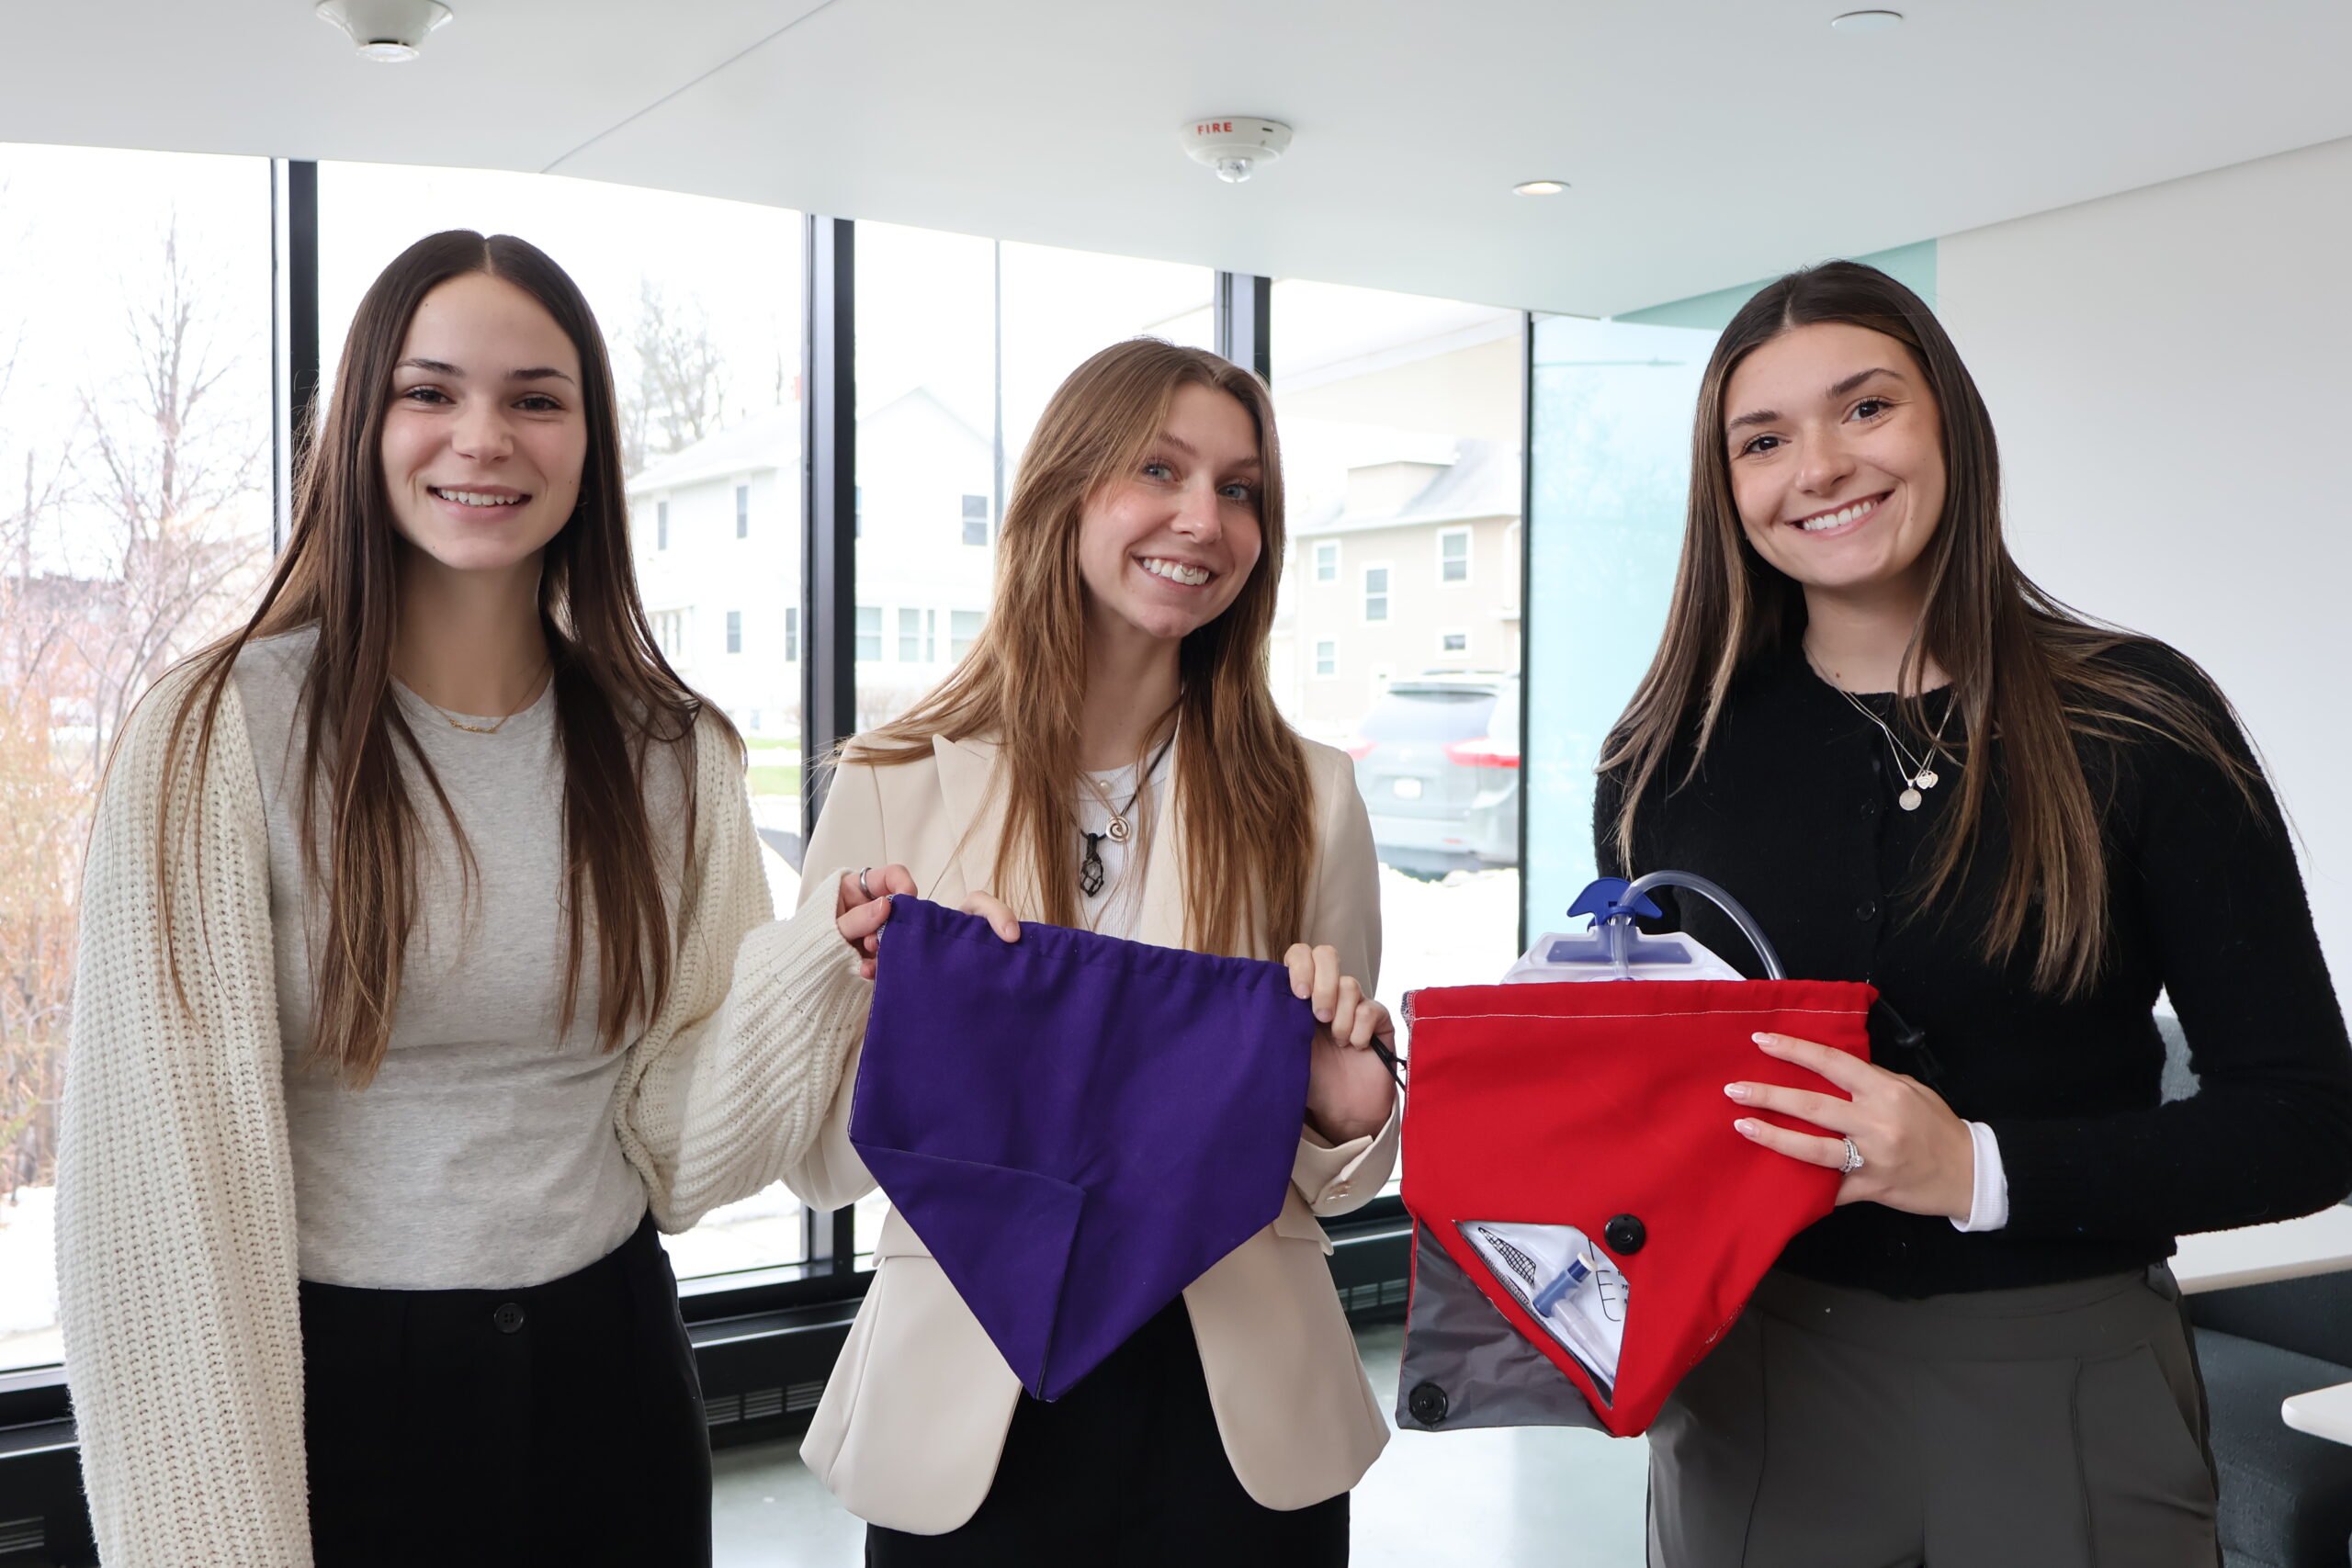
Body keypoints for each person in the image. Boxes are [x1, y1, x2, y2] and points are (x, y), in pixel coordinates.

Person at [57, 231, 860, 1568]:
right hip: (334, 1393)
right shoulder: (216, 734)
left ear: (590, 443)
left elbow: (672, 1151)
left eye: (536, 399)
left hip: (615, 1376)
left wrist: (812, 970)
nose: (483, 438)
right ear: (361, 424)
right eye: (430, 393)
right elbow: (158, 1196)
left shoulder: (677, 752)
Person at [1594, 259, 2352, 1567]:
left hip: (2059, 1384)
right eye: (1762, 439)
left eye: (1866, 408)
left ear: (1949, 420)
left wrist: (1978, 1169)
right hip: (1751, 1394)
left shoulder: (2139, 723)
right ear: (1728, 489)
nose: (1818, 466)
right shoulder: (1665, 757)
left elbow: (2308, 1124)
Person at [775, 337, 1398, 1564]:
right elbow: (817, 1167)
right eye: (1157, 469)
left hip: (1239, 1412)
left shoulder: (1311, 800)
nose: (1201, 519)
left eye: (1239, 488)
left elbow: (1341, 1173)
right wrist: (849, 1006)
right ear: (1063, 492)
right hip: (966, 1410)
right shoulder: (895, 785)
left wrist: (1349, 1107)